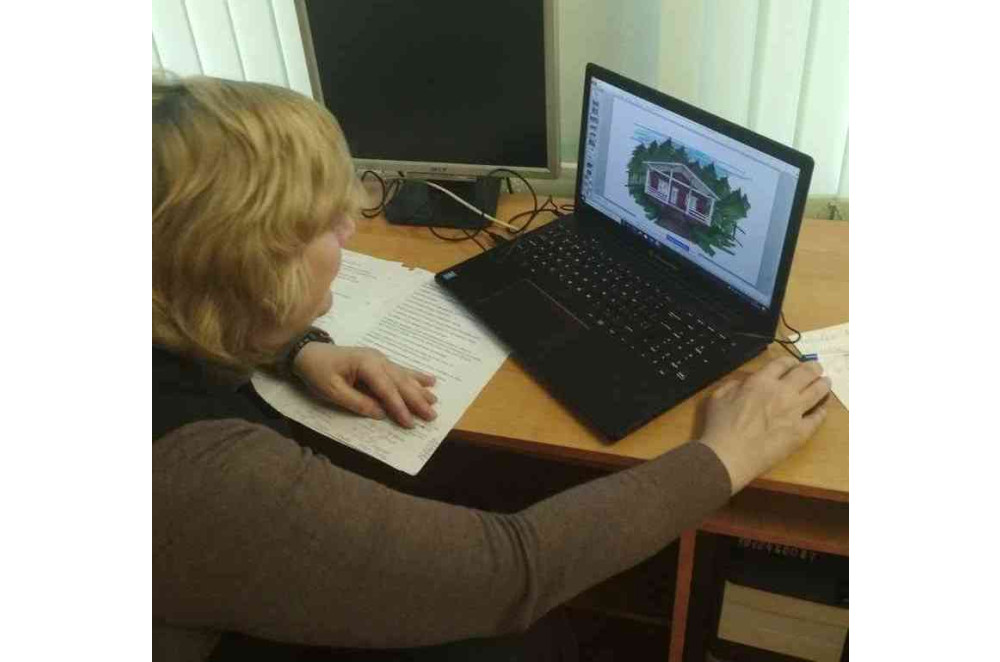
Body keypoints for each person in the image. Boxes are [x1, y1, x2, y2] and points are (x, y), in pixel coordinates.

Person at [152, 75, 831, 662]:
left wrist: (295, 347)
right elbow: (511, 572)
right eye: (325, 225)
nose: (350, 232)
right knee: (528, 642)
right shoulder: (201, 477)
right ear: (249, 269)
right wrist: (725, 455)